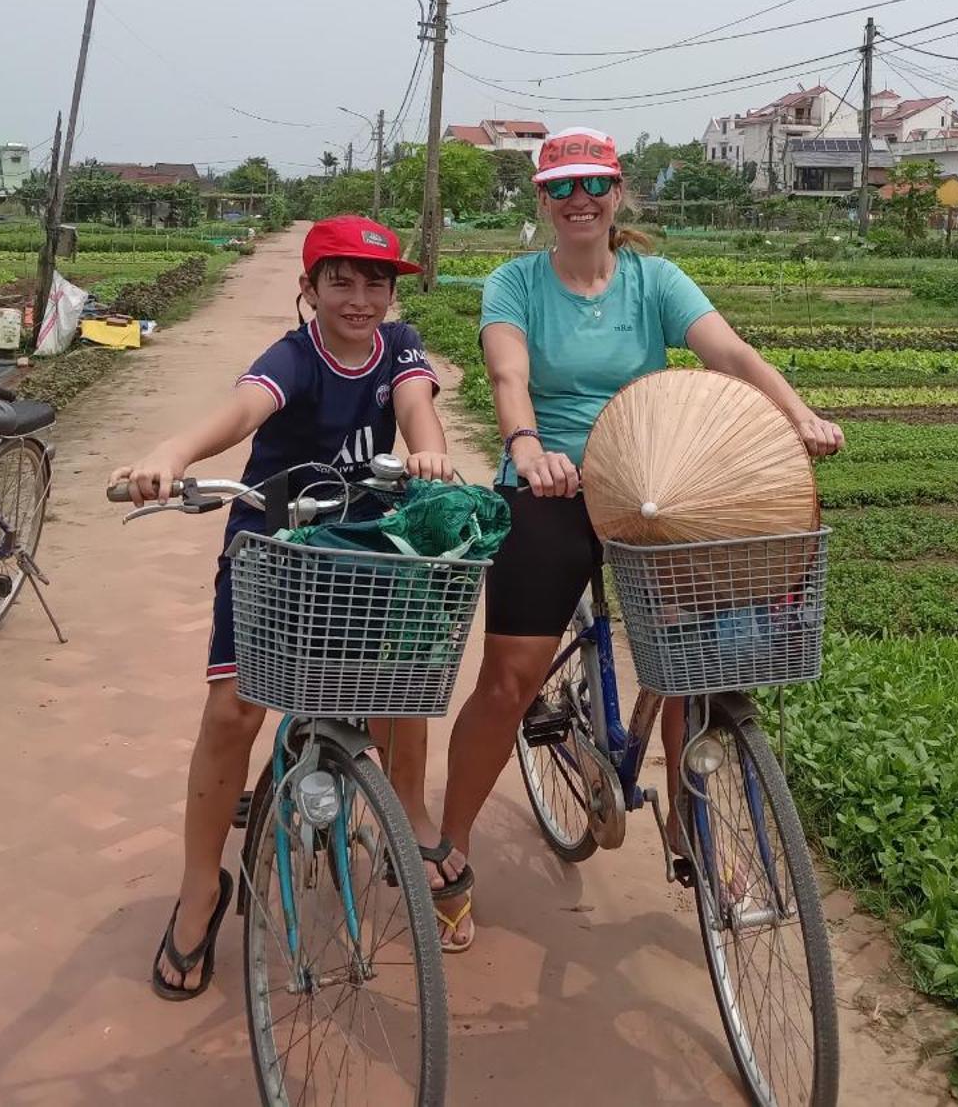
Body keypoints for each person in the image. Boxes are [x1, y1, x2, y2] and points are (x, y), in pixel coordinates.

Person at [432, 129, 844, 950]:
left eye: (594, 185)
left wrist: (794, 412)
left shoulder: (654, 280)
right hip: (554, 485)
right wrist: (524, 447)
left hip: (658, 492)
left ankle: (688, 833)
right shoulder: (514, 283)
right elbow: (508, 374)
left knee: (696, 672)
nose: (579, 200)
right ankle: (450, 845)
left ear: (619, 194)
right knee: (510, 678)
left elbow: (728, 351)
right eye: (561, 188)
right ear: (542, 202)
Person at [111, 215, 467, 997]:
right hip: (274, 545)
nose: (361, 297)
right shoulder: (294, 357)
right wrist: (174, 454)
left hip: (363, 545)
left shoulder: (400, 347)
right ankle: (203, 887)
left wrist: (428, 450)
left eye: (376, 281)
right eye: (340, 280)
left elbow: (416, 408)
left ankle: (407, 820)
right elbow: (242, 411)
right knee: (235, 712)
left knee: (405, 681)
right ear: (308, 291)